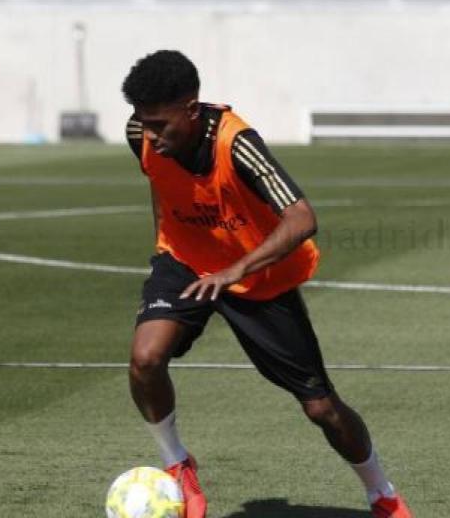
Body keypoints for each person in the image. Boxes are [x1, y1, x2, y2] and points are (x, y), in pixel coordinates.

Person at [120, 50, 413, 518]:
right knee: (145, 359)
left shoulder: (237, 144)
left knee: (321, 408)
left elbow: (302, 218)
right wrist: (166, 246)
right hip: (186, 262)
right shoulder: (141, 136)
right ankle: (177, 465)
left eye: (161, 124)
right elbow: (160, 180)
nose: (151, 135)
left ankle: (383, 493)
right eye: (144, 123)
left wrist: (235, 271)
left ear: (191, 110)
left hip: (258, 277)